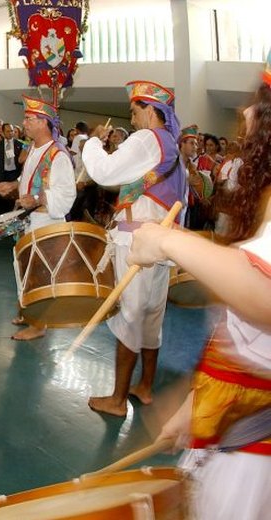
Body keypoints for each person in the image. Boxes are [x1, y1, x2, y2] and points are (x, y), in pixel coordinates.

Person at [128, 58, 271, 518]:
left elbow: (264, 297)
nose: (247, 116)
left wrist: (167, 239)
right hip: (244, 423)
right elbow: (250, 339)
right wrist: (195, 406)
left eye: (260, 107)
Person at [81, 80, 188, 416]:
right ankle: (144, 387)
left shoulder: (147, 139)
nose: (131, 119)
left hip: (137, 242)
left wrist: (93, 141)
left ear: (151, 111)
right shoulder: (171, 144)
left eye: (134, 111)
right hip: (161, 242)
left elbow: (103, 171)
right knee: (152, 315)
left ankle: (116, 400)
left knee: (129, 316)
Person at [0, 96, 76, 341]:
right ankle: (27, 311)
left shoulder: (58, 155)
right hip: (30, 221)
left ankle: (39, 325)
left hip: (46, 222)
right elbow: (28, 177)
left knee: (39, 273)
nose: (24, 122)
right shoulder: (33, 148)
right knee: (24, 268)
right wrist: (13, 185)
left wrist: (38, 199)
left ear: (44, 123)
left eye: (29, 119)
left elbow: (66, 195)